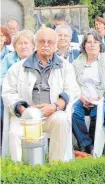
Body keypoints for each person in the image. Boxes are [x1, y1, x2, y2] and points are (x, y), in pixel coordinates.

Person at [2, 27, 80, 162]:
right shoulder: (18, 67)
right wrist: (23, 110)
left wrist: (55, 106)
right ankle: (20, 174)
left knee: (61, 120)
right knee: (14, 133)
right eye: (42, 41)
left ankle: (56, 166)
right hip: (25, 117)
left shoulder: (65, 67)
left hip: (52, 114)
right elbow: (8, 92)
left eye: (50, 42)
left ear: (56, 45)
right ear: (35, 43)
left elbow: (72, 90)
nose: (46, 45)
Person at [72, 31, 105, 154]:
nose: (92, 45)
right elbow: (72, 84)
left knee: (98, 113)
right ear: (84, 45)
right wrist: (81, 98)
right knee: (73, 112)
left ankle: (95, 146)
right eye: (89, 42)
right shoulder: (77, 63)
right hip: (81, 97)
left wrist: (100, 98)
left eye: (95, 42)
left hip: (101, 98)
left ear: (100, 45)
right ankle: (86, 145)